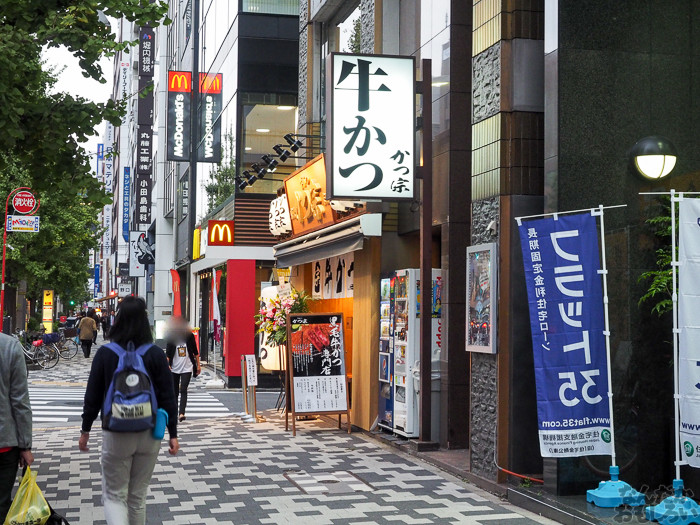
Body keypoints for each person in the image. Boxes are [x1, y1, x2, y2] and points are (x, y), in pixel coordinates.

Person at [79, 296, 178, 525]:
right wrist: (173, 434)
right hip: (150, 432)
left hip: (116, 432)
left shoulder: (106, 353)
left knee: (115, 496)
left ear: (118, 319)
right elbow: (168, 396)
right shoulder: (155, 354)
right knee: (137, 497)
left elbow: (92, 396)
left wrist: (85, 430)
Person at [0, 333, 34, 523]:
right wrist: (25, 445)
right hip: (4, 443)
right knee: (1, 504)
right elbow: (20, 401)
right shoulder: (9, 346)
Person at [165, 317, 200, 422]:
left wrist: (198, 366)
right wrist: (167, 365)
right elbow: (168, 355)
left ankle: (181, 413)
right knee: (174, 391)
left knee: (183, 389)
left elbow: (195, 352)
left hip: (187, 367)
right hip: (174, 368)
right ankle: (175, 412)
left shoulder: (189, 336)